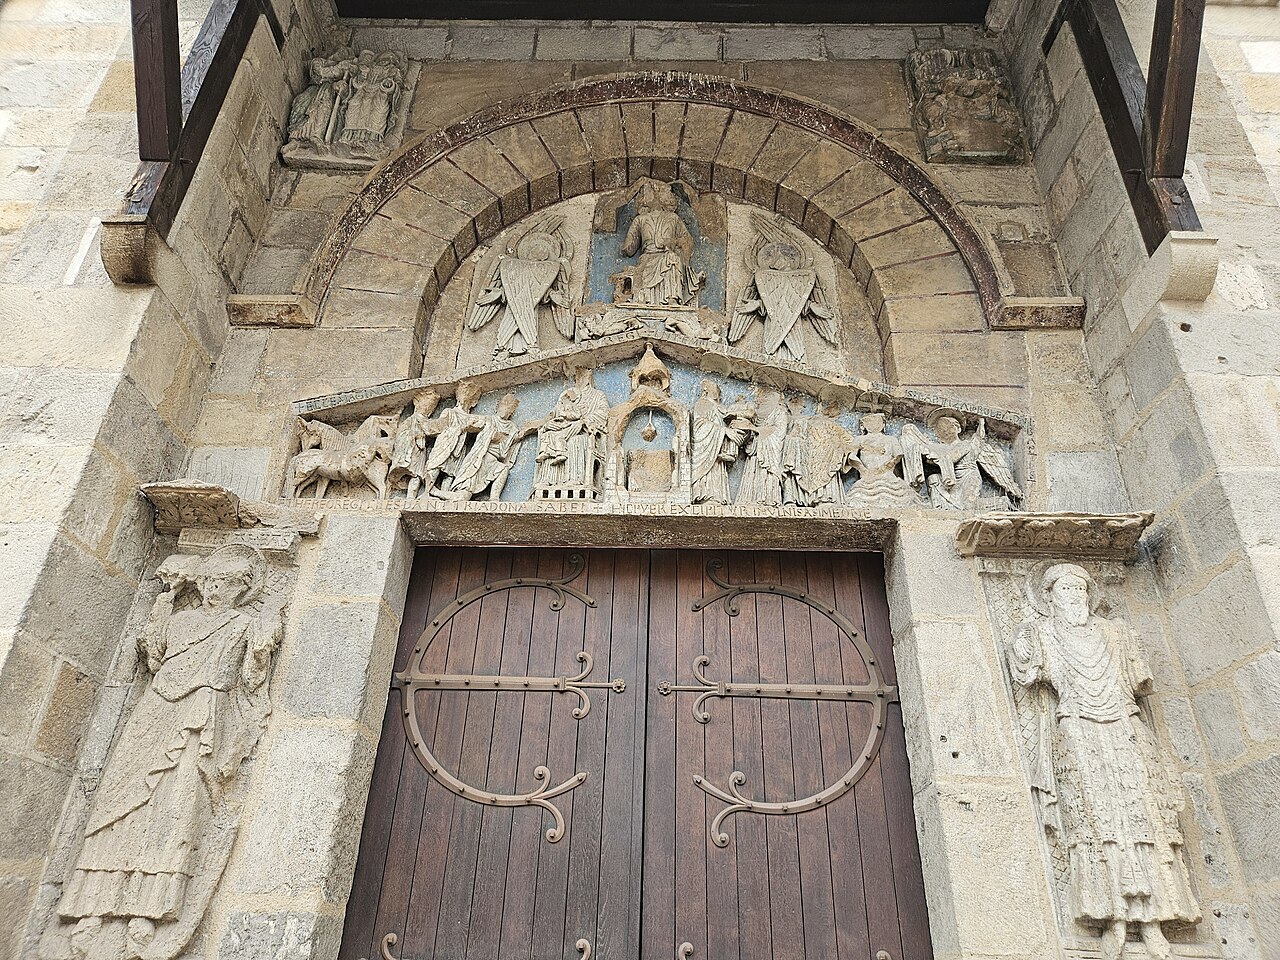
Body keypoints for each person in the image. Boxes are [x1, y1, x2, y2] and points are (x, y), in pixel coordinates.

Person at [56, 548, 285, 960]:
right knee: (122, 802)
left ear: (243, 590)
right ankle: (92, 907)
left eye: (228, 584)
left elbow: (252, 679)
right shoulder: (183, 619)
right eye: (212, 581)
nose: (217, 590)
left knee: (176, 806)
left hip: (201, 716)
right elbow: (155, 655)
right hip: (156, 710)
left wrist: (265, 641)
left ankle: (148, 910)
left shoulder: (246, 624)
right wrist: (166, 595)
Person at [1009, 565, 1199, 960]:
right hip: (1077, 729)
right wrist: (1023, 646)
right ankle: (1111, 918)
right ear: (1050, 597)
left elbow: (1140, 678)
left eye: (1079, 588)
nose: (1073, 595)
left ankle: (1154, 922)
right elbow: (1026, 671)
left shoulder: (1116, 634)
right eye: (1064, 589)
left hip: (1124, 728)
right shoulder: (1043, 634)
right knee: (1094, 821)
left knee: (1144, 818)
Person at [618, 181, 700, 306]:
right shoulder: (640, 219)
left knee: (672, 259)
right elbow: (629, 249)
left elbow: (687, 239)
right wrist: (629, 243)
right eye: (650, 191)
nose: (653, 195)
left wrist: (673, 242)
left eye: (657, 191)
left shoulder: (673, 218)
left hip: (666, 254)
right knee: (646, 266)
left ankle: (672, 298)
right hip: (648, 257)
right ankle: (645, 299)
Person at [690, 382, 755, 505]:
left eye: (718, 390)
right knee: (710, 468)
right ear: (705, 390)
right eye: (714, 389)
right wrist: (725, 431)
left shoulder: (719, 407)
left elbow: (736, 413)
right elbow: (699, 425)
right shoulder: (702, 403)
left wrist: (748, 406)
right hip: (706, 447)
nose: (718, 392)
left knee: (717, 466)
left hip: (719, 447)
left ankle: (716, 497)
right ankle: (704, 495)